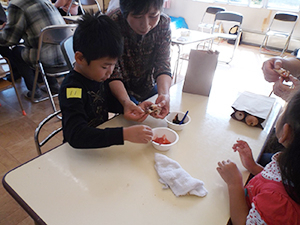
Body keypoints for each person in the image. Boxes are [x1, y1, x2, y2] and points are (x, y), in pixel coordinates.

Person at [58, 13, 153, 148]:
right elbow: (76, 134)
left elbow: (104, 102)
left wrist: (132, 105)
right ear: (80, 59)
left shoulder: (97, 76)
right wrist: (123, 135)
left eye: (113, 65)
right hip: (79, 152)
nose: (110, 71)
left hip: (97, 145)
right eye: (105, 66)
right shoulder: (72, 89)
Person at [216, 89, 300, 225]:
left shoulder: (278, 204)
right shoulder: (290, 163)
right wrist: (252, 166)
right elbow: (276, 181)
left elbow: (243, 222)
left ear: (286, 132)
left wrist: (234, 184)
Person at [107, 0, 172, 122]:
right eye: (137, 16)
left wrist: (164, 94)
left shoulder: (163, 23)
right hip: (117, 88)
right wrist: (126, 101)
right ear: (125, 12)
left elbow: (163, 64)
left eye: (153, 16)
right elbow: (112, 72)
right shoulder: (112, 23)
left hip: (145, 84)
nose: (145, 24)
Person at [0, 0, 66, 99]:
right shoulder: (45, 0)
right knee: (44, 46)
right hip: (64, 56)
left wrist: (5, 30)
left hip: (45, 59)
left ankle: (34, 91)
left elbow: (8, 40)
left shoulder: (17, 5)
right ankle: (54, 85)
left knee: (16, 51)